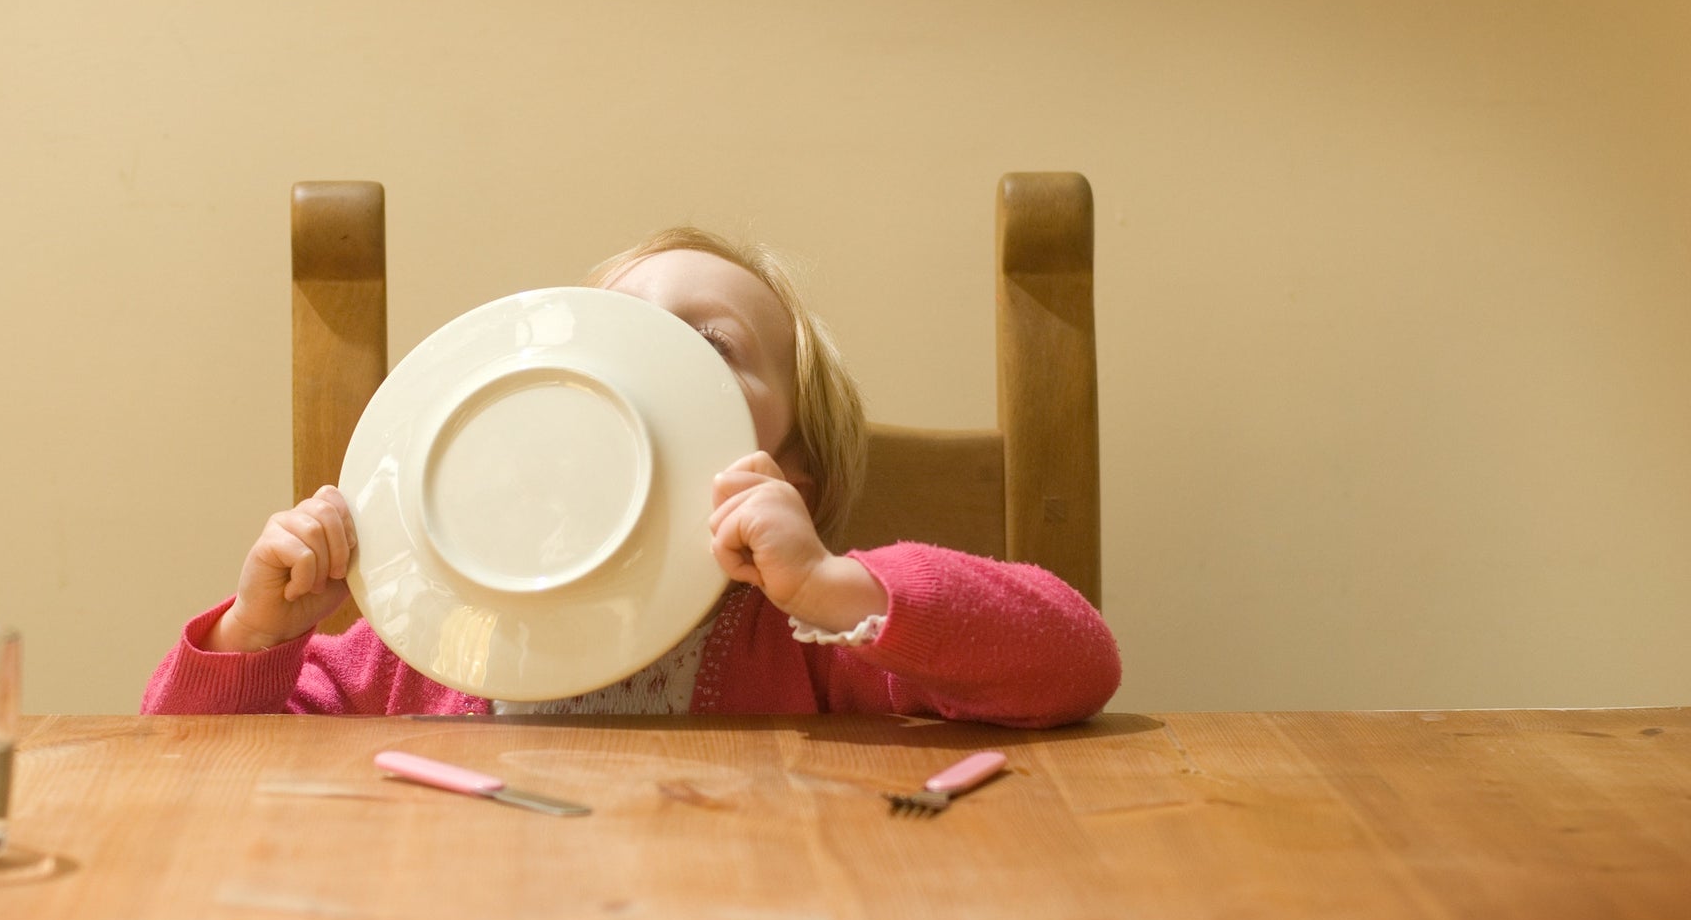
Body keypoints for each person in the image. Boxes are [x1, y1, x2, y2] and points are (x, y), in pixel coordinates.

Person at [144, 228, 1120, 728]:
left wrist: (836, 588)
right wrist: (253, 634)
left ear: (789, 478)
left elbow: (1076, 663)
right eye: (619, 339)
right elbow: (183, 768)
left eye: (707, 347)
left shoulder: (809, 641)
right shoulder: (422, 638)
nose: (653, 367)